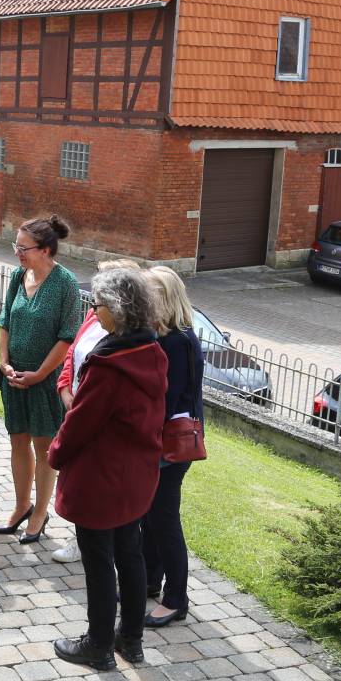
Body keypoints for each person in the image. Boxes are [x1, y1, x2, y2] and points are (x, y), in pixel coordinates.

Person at [47, 268, 167, 670]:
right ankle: (130, 639)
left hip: (101, 480)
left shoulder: (109, 366)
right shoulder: (152, 352)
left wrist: (56, 454)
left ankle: (98, 644)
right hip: (136, 477)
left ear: (117, 309)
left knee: (98, 562)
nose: (94, 312)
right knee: (130, 554)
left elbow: (80, 423)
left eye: (97, 305)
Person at [0, 215, 82, 543]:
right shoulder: (18, 276)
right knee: (18, 440)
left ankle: (41, 514)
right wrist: (4, 363)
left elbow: (67, 336)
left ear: (45, 250)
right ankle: (21, 506)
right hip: (15, 377)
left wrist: (40, 374)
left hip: (44, 381)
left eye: (23, 247)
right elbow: (4, 321)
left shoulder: (66, 284)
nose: (17, 252)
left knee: (43, 446)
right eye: (15, 245)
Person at [48, 259, 141, 564]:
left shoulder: (128, 338)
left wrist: (81, 408)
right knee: (81, 483)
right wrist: (64, 389)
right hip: (75, 405)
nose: (95, 300)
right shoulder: (92, 317)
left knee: (94, 489)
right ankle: (81, 538)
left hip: (96, 419)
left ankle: (95, 544)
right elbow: (73, 354)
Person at [143, 266, 204, 629]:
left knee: (164, 521)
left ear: (164, 299)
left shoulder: (178, 342)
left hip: (170, 446)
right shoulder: (165, 336)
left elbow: (168, 399)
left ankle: (176, 598)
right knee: (150, 517)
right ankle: (151, 580)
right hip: (160, 444)